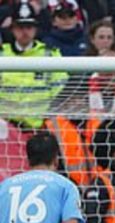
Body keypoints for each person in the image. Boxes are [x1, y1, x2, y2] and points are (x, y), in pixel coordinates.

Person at [0, 1, 68, 130]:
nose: (24, 32)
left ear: (35, 29)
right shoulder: (2, 55)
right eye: (20, 27)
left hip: (41, 127)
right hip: (5, 129)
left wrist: (46, 121)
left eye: (29, 27)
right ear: (12, 29)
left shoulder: (50, 55)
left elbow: (60, 91)